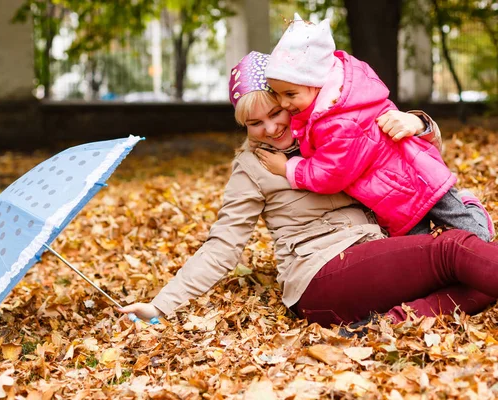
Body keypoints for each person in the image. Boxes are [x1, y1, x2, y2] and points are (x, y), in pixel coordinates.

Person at [119, 52, 497, 329]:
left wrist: (416, 122)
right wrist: (160, 305)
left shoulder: (334, 130)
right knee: (455, 249)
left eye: (276, 112)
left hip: (375, 255)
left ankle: (381, 325)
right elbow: (222, 247)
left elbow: (415, 163)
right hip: (321, 275)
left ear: (291, 99)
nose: (270, 128)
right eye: (254, 123)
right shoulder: (252, 168)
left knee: (476, 282)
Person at [256, 14, 494, 241]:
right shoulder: (319, 114)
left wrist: (289, 168)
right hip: (392, 199)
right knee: (421, 255)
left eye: (290, 94)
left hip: (421, 179)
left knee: (478, 236)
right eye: (277, 95)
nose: (284, 103)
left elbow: (330, 174)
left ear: (317, 84)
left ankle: (471, 206)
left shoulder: (339, 122)